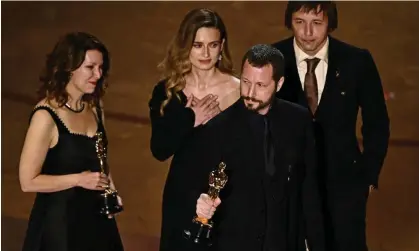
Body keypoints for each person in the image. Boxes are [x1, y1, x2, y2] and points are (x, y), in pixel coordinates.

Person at [271, 2, 390, 251]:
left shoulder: (357, 61)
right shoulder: (273, 59)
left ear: (330, 24)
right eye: (299, 22)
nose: (307, 32)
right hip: (287, 183)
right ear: (289, 21)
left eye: (317, 23)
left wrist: (368, 176)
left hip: (345, 186)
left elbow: (377, 123)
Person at [195, 44, 325, 251]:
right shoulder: (218, 129)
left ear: (279, 83)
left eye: (261, 85)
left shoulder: (299, 121)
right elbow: (201, 189)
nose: (251, 92)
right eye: (246, 82)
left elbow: (309, 189)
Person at [19, 32, 124, 251]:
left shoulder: (95, 110)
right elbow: (28, 181)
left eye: (101, 67)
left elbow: (100, 160)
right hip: (59, 226)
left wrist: (112, 190)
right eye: (90, 67)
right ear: (69, 68)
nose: (98, 74)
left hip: (96, 222)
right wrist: (78, 180)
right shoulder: (45, 117)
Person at [148, 8, 240, 251]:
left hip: (227, 199)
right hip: (183, 195)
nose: (206, 53)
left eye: (212, 45)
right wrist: (191, 118)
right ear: (186, 46)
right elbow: (159, 149)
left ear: (222, 47)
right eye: (198, 45)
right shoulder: (167, 91)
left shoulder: (240, 91)